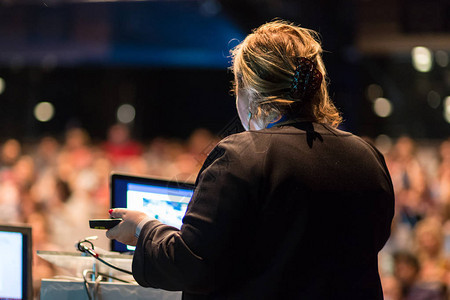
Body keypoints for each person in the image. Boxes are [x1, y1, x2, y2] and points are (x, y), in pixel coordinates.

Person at [106, 20, 395, 299]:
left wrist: (145, 228)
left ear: (250, 92)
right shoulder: (368, 156)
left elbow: (192, 265)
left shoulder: (242, 154)